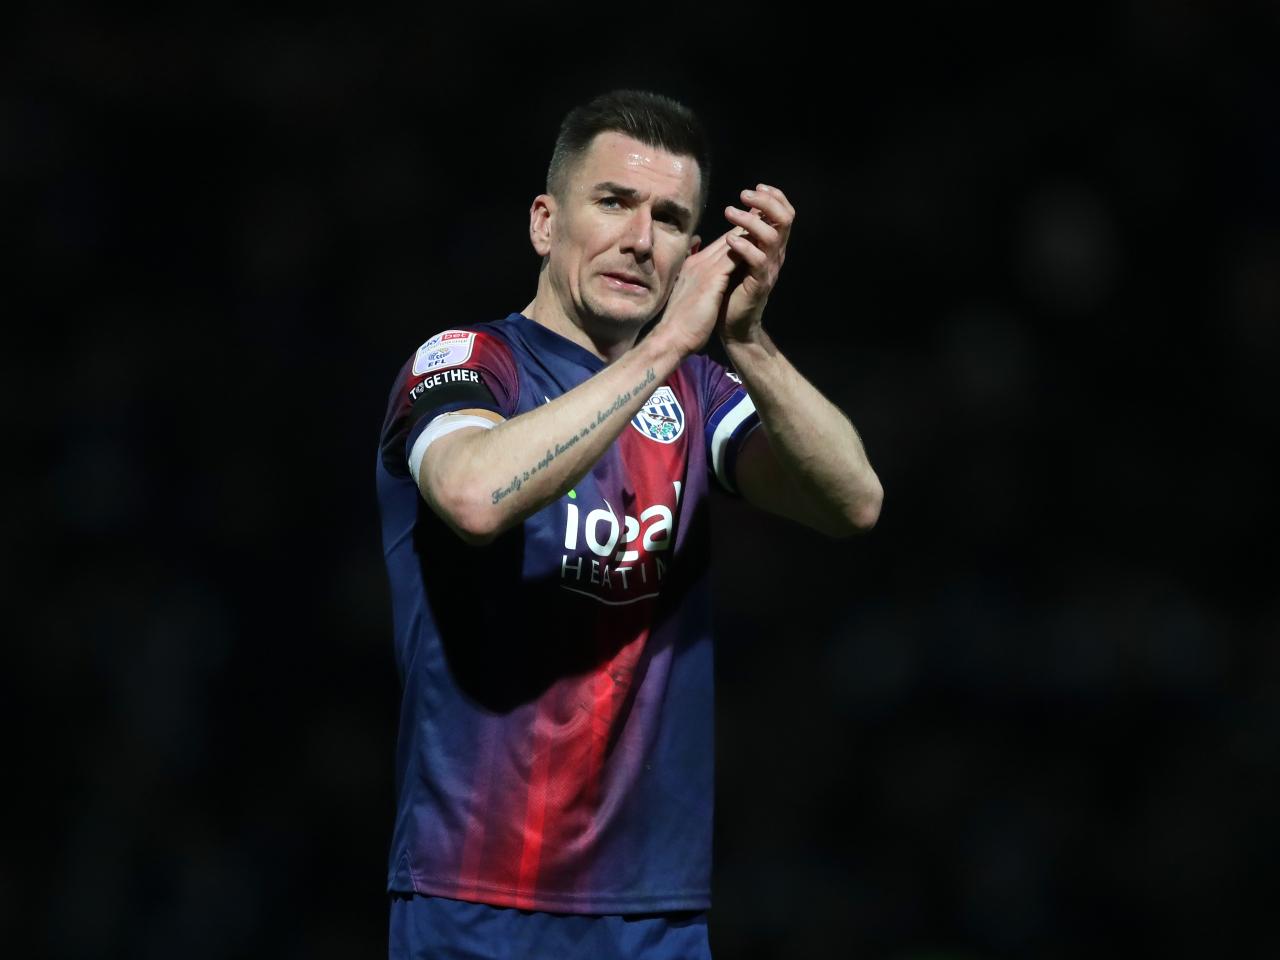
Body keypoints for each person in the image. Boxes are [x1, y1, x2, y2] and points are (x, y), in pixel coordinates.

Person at [375, 89, 883, 959]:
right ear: (545, 222)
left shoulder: (697, 395)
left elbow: (852, 500)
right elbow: (473, 494)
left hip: (653, 911)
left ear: (694, 251)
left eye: (671, 218)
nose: (641, 238)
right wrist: (662, 349)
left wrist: (749, 343)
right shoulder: (468, 363)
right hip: (476, 897)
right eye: (613, 202)